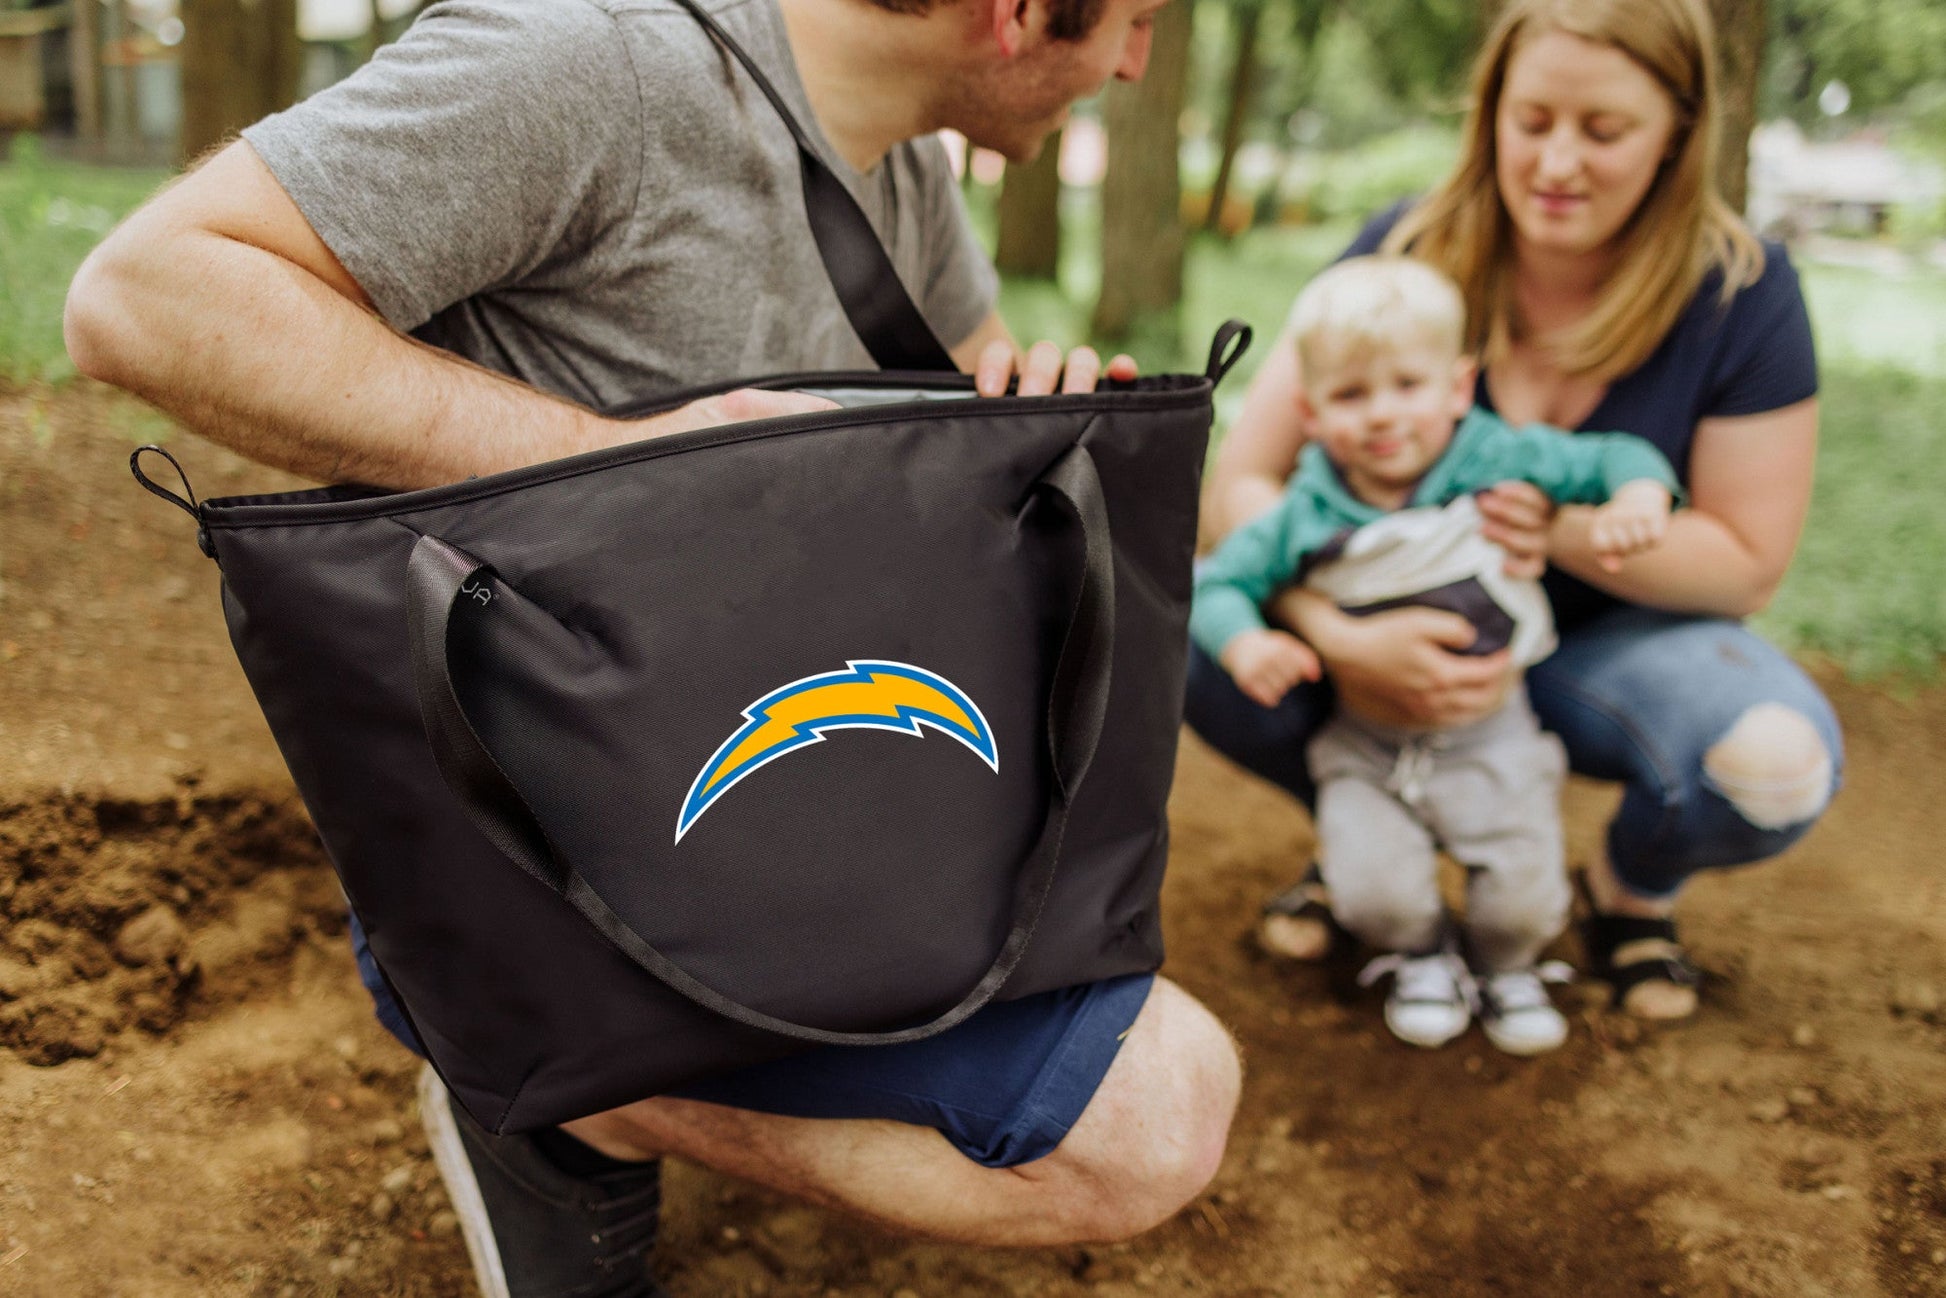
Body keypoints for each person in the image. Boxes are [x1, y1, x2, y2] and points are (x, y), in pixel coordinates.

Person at [62, 0, 1241, 1293]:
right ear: (1013, 12)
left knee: (1149, 1080)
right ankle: (573, 1095)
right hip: (547, 854)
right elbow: (140, 296)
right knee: (1148, 1119)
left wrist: (1025, 415)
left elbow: (942, 444)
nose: (1139, 63)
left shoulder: (903, 153)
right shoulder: (591, 62)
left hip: (795, 801)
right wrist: (605, 460)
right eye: (1134, 20)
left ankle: (630, 1077)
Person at [1186, 0, 1841, 1029]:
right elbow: (1242, 487)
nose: (1556, 162)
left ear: (1678, 130)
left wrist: (1554, 531)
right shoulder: (1402, 249)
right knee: (1189, 628)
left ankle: (1627, 890)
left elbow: (1744, 563)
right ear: (1490, 108)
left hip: (1608, 651)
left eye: (1603, 130)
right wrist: (1337, 630)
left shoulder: (1741, 291)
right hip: (1381, 646)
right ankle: (1372, 839)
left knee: (1774, 764)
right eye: (1530, 121)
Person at [1192, 254, 1678, 1055]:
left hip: (1495, 736)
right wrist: (1245, 642)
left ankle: (1508, 965)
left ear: (1458, 388)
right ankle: (1418, 956)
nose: (1382, 415)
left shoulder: (1496, 459)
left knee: (1522, 897)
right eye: (1351, 395)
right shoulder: (1307, 509)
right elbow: (1218, 582)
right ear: (1309, 412)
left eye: (1407, 386)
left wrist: (1638, 496)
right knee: (1374, 893)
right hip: (1366, 745)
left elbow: (1615, 455)